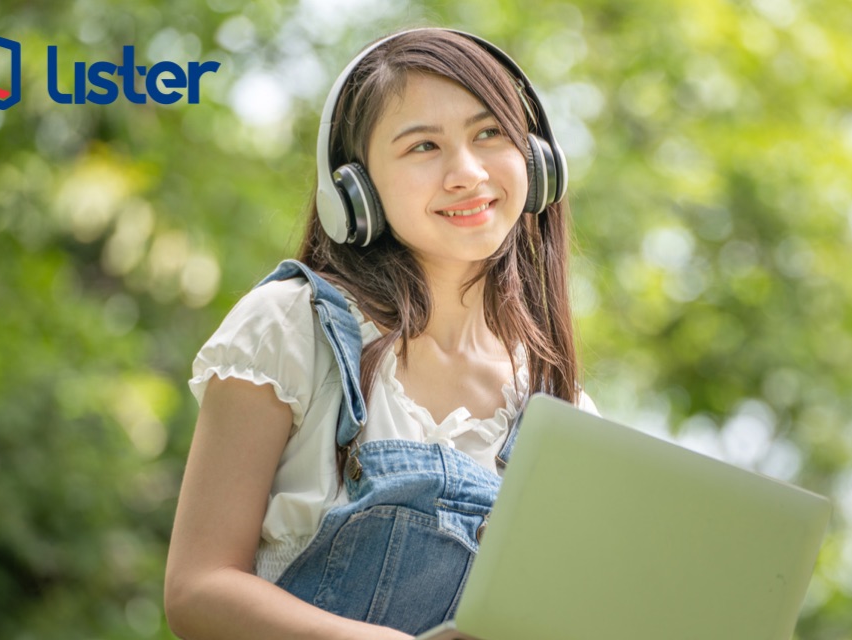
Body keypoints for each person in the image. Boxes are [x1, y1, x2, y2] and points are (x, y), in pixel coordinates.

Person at [164, 28, 597, 640]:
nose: (467, 173)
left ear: (537, 160)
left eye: (489, 133)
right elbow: (197, 591)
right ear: (355, 191)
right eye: (423, 146)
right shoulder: (291, 325)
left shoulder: (561, 405)